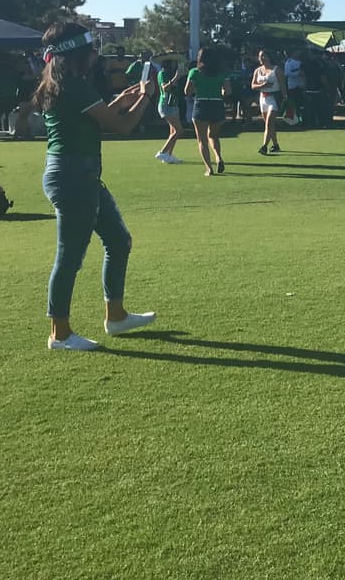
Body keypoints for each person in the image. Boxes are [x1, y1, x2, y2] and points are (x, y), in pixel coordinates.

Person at [33, 23, 157, 350]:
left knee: (119, 241)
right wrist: (145, 98)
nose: (94, 56)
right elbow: (123, 125)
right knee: (69, 258)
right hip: (75, 177)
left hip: (76, 175)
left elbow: (91, 118)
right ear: (76, 54)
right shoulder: (75, 86)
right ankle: (59, 334)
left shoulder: (64, 83)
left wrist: (121, 98)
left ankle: (115, 317)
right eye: (91, 50)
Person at [185, 47, 229, 176]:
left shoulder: (195, 72)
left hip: (201, 105)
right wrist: (220, 91)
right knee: (214, 136)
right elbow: (227, 91)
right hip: (217, 104)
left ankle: (209, 168)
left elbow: (187, 91)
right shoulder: (222, 73)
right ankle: (218, 157)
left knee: (202, 140)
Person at [251, 50, 284, 156]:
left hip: (274, 97)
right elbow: (253, 85)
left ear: (269, 57)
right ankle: (275, 145)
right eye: (260, 56)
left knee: (269, 122)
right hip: (263, 98)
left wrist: (285, 97)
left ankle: (264, 146)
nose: (261, 58)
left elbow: (283, 84)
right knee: (268, 124)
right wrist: (262, 86)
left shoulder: (276, 69)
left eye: (263, 56)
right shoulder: (257, 70)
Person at [154, 59, 186, 163]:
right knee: (179, 130)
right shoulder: (162, 73)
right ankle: (162, 152)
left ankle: (168, 155)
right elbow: (165, 88)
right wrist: (176, 78)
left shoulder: (169, 74)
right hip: (166, 105)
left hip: (173, 104)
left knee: (173, 131)